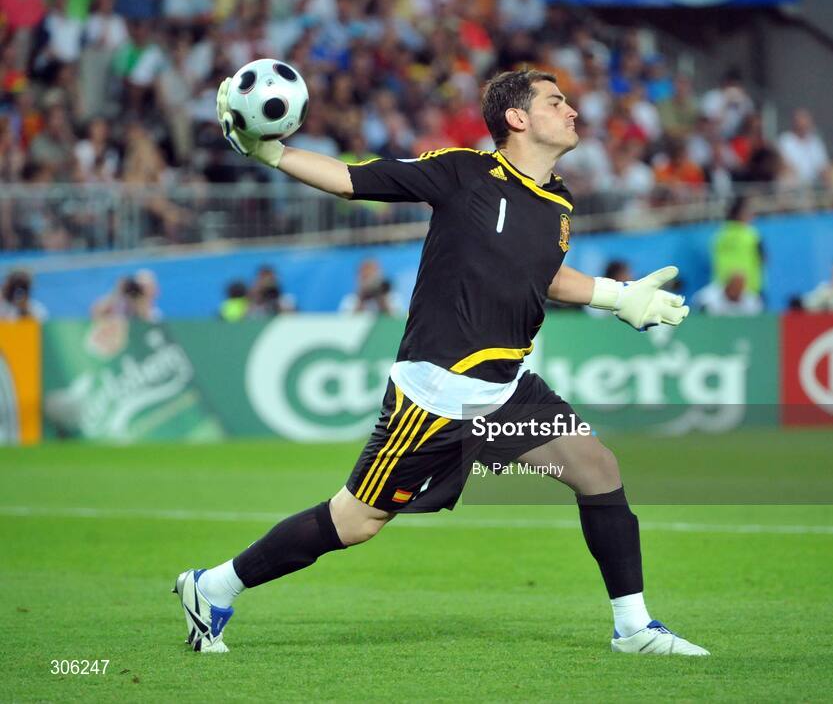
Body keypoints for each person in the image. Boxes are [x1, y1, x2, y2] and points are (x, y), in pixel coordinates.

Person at [176, 68, 705, 658]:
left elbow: (544, 275)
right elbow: (353, 180)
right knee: (354, 522)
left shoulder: (559, 198)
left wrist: (616, 294)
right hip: (437, 392)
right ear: (518, 118)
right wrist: (272, 153)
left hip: (506, 388)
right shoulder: (464, 172)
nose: (572, 111)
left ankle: (633, 629)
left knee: (598, 468)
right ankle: (212, 586)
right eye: (556, 101)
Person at [711, 196, 763, 297]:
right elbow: (763, 258)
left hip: (722, 287)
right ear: (740, 214)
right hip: (750, 288)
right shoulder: (752, 235)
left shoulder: (719, 235)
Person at [693, 273, 763, 316]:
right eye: (733, 287)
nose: (735, 291)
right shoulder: (709, 297)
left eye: (739, 288)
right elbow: (697, 304)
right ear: (728, 285)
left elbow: (756, 319)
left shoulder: (752, 300)